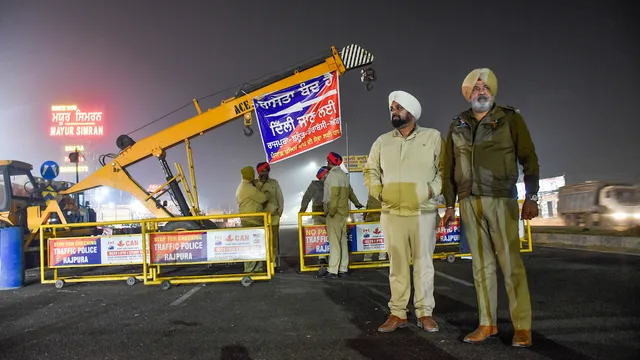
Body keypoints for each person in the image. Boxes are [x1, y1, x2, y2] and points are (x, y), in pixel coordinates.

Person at [441, 68, 539, 348]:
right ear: (468, 93)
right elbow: (448, 167)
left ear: (492, 92)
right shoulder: (457, 124)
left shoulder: (510, 119)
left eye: (484, 87)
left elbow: (529, 158)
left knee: (511, 266)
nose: (480, 91)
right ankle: (487, 323)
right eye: (475, 88)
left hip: (501, 200)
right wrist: (449, 204)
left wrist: (532, 196)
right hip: (468, 201)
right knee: (481, 268)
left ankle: (522, 327)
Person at [364, 90, 443, 333]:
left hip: (423, 211)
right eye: (392, 108)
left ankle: (425, 312)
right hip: (392, 213)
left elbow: (445, 170)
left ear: (411, 112)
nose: (394, 112)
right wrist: (379, 192)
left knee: (423, 264)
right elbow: (370, 170)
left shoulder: (432, 137)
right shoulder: (382, 141)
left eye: (398, 108)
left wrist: (430, 191)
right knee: (396, 265)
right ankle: (398, 312)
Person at [318, 153, 362, 279]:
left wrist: (330, 212)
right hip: (344, 213)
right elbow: (350, 192)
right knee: (343, 241)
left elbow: (333, 196)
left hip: (335, 214)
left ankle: (333, 270)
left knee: (334, 242)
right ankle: (343, 268)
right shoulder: (344, 175)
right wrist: (357, 204)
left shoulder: (332, 175)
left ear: (328, 162)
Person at [236, 165, 269, 273]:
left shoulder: (242, 186)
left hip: (247, 219)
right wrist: (261, 186)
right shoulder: (249, 188)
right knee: (253, 245)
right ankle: (251, 269)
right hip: (252, 220)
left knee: (253, 244)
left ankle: (257, 268)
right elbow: (263, 198)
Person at [255, 162, 284, 270]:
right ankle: (260, 265)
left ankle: (272, 264)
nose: (264, 173)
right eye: (262, 171)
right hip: (260, 218)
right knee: (260, 242)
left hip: (273, 217)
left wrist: (279, 211)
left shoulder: (274, 183)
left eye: (266, 170)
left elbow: (280, 197)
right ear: (258, 171)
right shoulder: (254, 184)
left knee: (272, 242)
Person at [362, 194, 387, 262]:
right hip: (381, 217)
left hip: (372, 218)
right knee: (382, 238)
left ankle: (368, 256)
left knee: (370, 239)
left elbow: (369, 204)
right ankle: (382, 256)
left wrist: (364, 215)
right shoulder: (384, 189)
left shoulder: (372, 191)